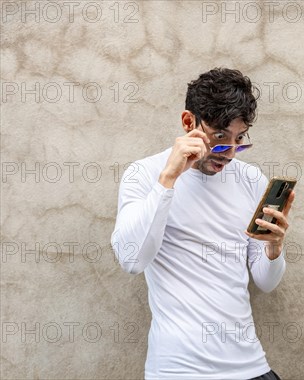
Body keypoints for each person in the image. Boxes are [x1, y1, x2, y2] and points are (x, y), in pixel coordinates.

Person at [110, 67, 294, 380]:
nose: (231, 153)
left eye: (240, 139)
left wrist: (274, 249)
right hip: (179, 370)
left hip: (250, 367)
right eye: (220, 138)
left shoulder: (250, 180)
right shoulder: (144, 174)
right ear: (188, 123)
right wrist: (169, 178)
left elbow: (265, 282)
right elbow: (131, 259)